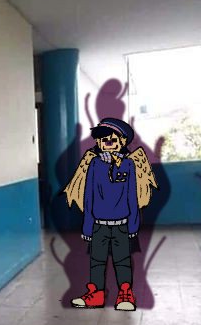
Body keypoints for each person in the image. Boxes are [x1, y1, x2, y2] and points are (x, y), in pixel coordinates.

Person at [63, 117, 157, 311]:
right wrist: (87, 227)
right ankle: (96, 294)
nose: (108, 143)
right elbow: (89, 196)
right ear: (98, 142)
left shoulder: (128, 165)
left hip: (121, 224)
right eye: (103, 139)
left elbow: (132, 196)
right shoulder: (94, 165)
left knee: (122, 261)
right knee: (96, 261)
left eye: (113, 139)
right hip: (99, 225)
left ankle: (125, 294)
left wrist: (133, 225)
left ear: (122, 141)